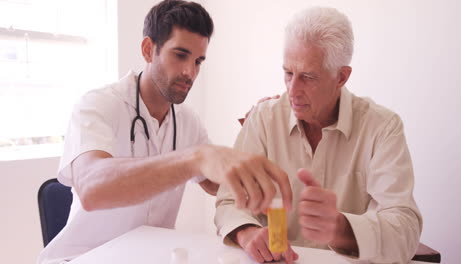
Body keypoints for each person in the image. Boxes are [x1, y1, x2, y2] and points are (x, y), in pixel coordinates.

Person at [37, 1, 292, 263]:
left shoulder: (186, 120)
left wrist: (252, 134)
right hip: (83, 258)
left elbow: (219, 184)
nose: (189, 72)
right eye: (180, 55)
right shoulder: (98, 105)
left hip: (150, 256)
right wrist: (194, 158)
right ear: (148, 50)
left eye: (198, 61)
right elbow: (92, 189)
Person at [215, 6, 422, 264]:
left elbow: (405, 229)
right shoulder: (263, 120)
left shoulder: (382, 127)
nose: (292, 90)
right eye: (288, 73)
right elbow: (227, 201)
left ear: (341, 77)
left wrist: (342, 228)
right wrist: (247, 233)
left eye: (308, 77)